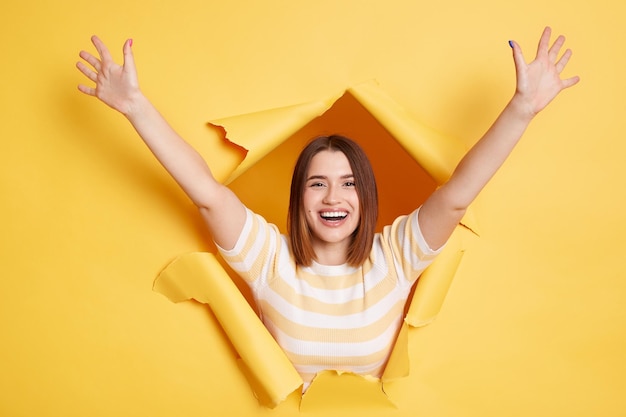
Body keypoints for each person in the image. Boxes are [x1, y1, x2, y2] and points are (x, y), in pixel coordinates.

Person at [76, 27, 579, 388]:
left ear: (365, 198)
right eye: (317, 184)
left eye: (348, 184)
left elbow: (456, 197)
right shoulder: (269, 260)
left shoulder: (395, 258)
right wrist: (136, 108)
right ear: (299, 199)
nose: (333, 197)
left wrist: (521, 110)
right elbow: (207, 193)